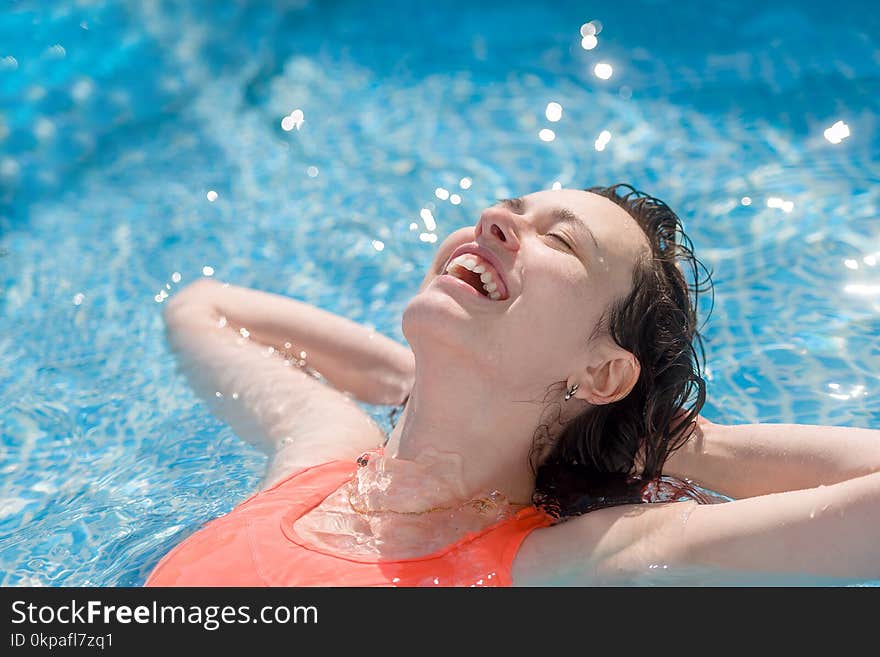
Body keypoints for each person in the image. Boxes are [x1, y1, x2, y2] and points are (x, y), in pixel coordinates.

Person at [145, 184, 880, 586]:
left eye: (560, 241)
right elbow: (201, 310)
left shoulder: (567, 563)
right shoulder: (321, 462)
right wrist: (429, 371)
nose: (494, 219)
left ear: (601, 372)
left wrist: (675, 442)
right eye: (510, 209)